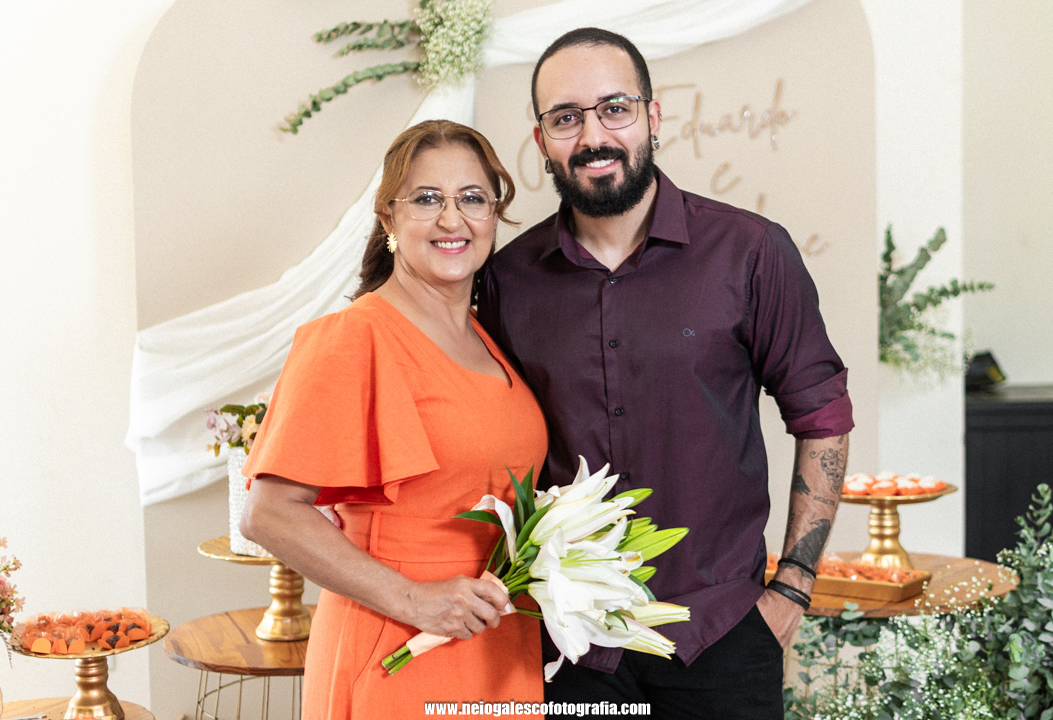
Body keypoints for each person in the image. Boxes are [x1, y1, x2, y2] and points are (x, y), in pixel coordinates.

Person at [477, 28, 853, 718]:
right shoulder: (508, 280)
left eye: (614, 109)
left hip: (720, 632)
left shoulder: (750, 252)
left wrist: (794, 587)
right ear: (541, 141)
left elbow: (822, 414)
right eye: (566, 118)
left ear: (653, 117)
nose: (593, 136)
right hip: (568, 645)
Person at [241, 120, 546, 719]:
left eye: (473, 199)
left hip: (497, 641)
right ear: (388, 219)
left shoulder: (488, 337)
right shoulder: (354, 338)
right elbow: (268, 513)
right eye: (427, 199)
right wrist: (413, 599)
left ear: (494, 215)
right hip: (398, 642)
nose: (452, 220)